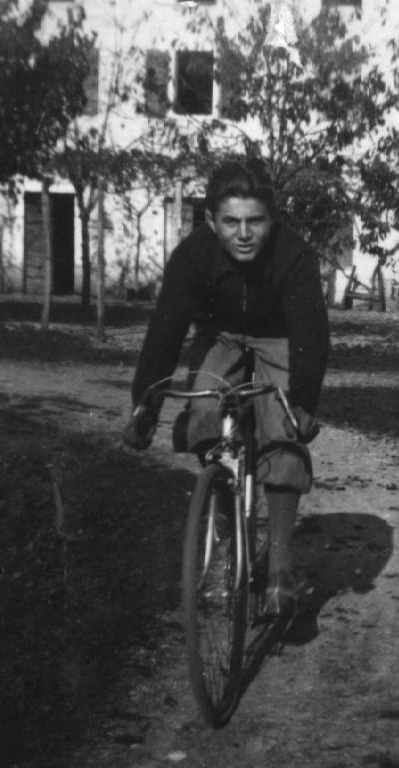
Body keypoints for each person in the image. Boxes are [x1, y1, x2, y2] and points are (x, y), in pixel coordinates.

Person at [122, 158, 329, 617]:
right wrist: (145, 406)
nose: (244, 233)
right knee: (204, 413)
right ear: (212, 221)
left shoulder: (295, 256)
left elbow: (311, 336)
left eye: (256, 221)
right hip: (220, 335)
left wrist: (303, 404)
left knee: (283, 435)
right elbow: (165, 331)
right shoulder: (192, 256)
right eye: (231, 221)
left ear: (272, 219)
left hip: (279, 337)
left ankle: (279, 572)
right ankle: (223, 523)